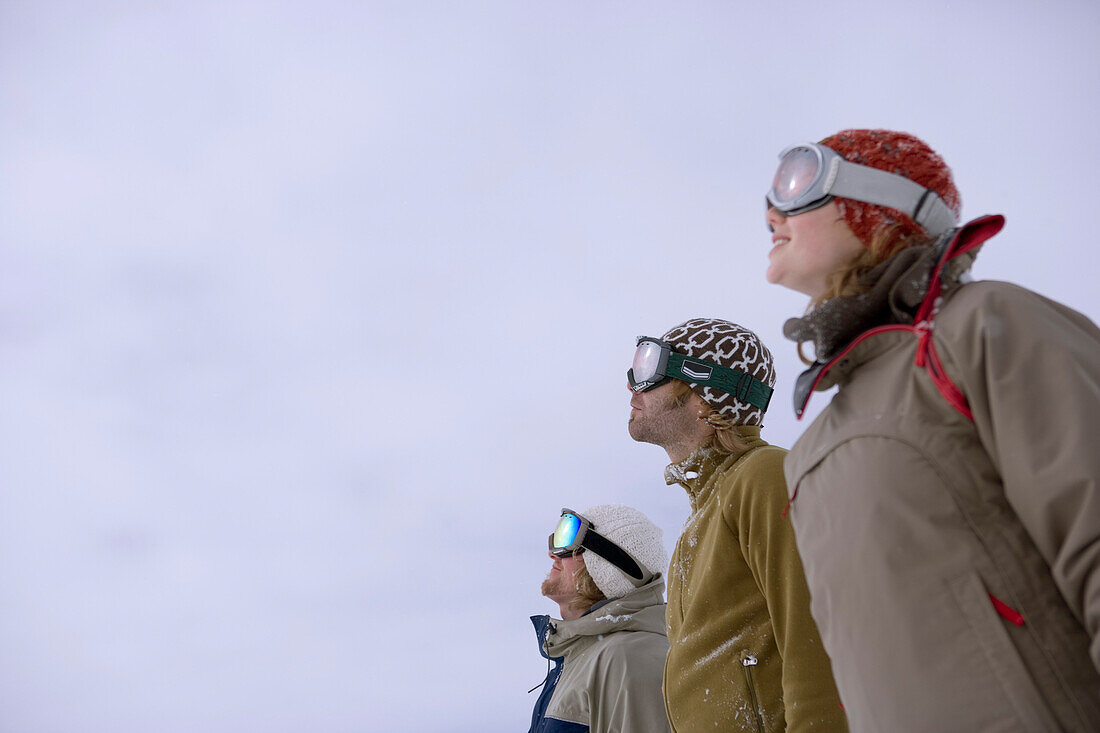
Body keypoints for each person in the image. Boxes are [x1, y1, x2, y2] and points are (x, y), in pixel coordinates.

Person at [763, 129, 1100, 731]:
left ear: (879, 208)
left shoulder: (984, 327)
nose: (771, 211)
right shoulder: (811, 449)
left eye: (797, 182)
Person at [627, 318, 847, 732]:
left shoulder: (765, 477)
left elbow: (815, 640)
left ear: (703, 396)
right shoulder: (705, 512)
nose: (631, 385)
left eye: (650, 369)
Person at [528, 504, 672, 733]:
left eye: (568, 542)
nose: (553, 553)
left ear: (608, 569)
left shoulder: (629, 658)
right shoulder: (581, 655)